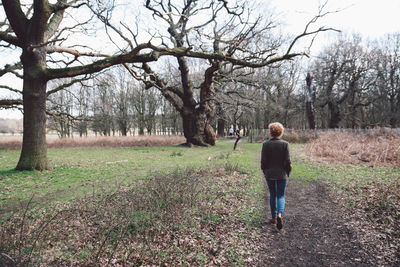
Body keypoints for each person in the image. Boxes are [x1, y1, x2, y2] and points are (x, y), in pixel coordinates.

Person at [261, 122, 292, 230]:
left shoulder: (265, 144)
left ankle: (274, 218)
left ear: (270, 132)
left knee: (272, 195)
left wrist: (265, 171)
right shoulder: (285, 144)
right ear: (280, 132)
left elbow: (263, 161)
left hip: (269, 174)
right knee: (281, 195)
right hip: (281, 174)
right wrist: (288, 172)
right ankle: (280, 214)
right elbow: (287, 161)